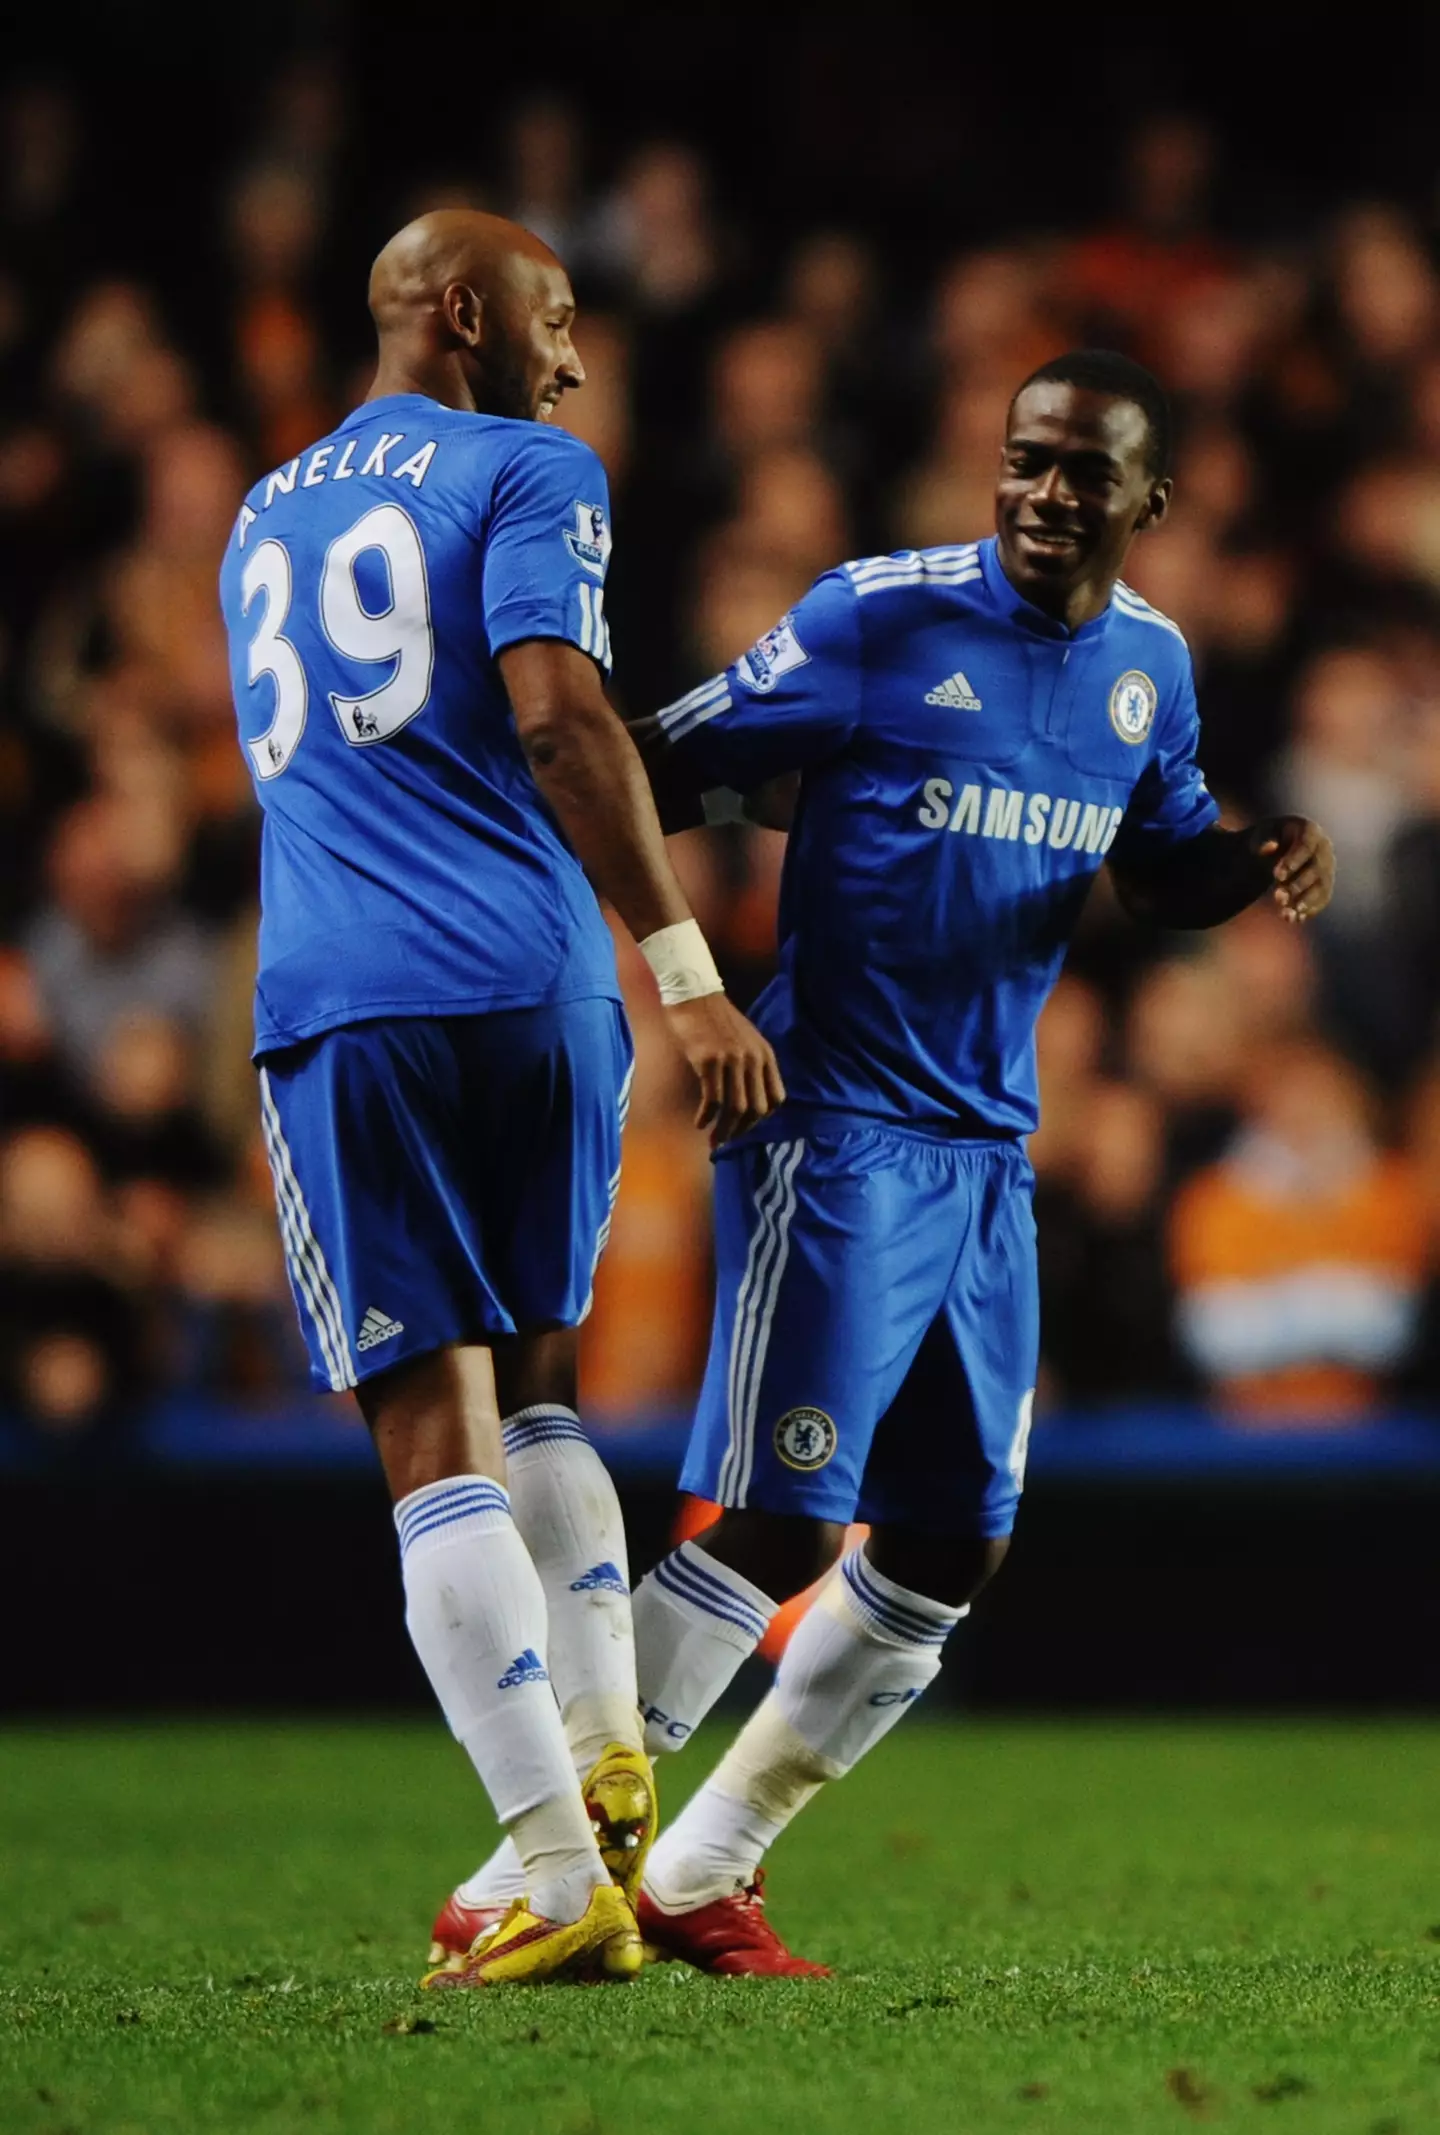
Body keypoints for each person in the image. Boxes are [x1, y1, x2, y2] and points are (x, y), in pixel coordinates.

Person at [432, 348, 1335, 1976]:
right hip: (832, 1126)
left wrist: (1250, 857)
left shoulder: (1149, 666)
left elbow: (1158, 863)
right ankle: (531, 1860)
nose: (1049, 495)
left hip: (988, 1150)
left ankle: (705, 1864)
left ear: (1152, 502)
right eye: (1027, 462)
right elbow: (665, 759)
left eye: (1084, 473)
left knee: (948, 1540)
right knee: (780, 1518)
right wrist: (672, 970)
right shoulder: (876, 616)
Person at [218, 210, 782, 1989]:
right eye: (555, 317)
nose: (577, 356)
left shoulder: (261, 510)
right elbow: (558, 717)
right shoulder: (532, 466)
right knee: (541, 1375)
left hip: (351, 999)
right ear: (465, 312)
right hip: (537, 990)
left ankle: (551, 1862)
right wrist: (684, 971)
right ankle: (610, 1737)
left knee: (423, 1431)